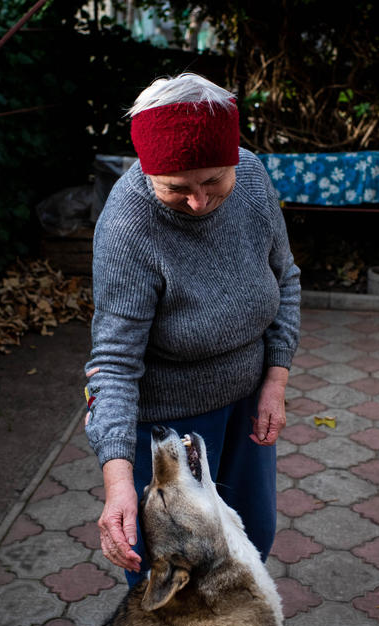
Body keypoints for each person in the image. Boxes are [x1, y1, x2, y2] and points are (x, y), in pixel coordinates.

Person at [83, 72, 301, 586]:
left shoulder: (250, 178)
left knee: (250, 543)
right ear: (148, 171)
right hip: (168, 430)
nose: (199, 201)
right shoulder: (127, 227)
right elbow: (112, 364)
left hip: (246, 405)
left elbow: (285, 278)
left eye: (212, 181)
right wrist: (117, 483)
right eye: (177, 188)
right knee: (178, 576)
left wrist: (276, 380)